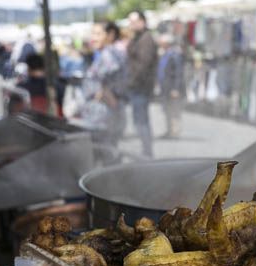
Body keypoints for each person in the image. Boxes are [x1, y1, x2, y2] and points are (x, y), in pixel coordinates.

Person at [79, 21, 126, 147]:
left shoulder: (109, 55)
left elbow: (107, 83)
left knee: (106, 153)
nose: (93, 38)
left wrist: (103, 95)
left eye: (98, 34)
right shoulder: (108, 53)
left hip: (103, 117)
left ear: (110, 35)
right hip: (103, 116)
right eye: (92, 34)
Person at [125, 10, 158, 157]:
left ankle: (147, 152)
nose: (131, 25)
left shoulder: (146, 39)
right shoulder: (139, 38)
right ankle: (146, 151)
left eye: (133, 22)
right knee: (139, 120)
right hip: (138, 86)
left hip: (141, 87)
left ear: (142, 21)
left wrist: (130, 83)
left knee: (141, 121)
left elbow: (143, 66)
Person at [156, 33, 185, 139]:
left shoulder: (175, 54)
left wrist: (176, 89)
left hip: (172, 88)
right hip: (165, 87)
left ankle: (175, 132)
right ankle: (169, 131)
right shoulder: (165, 54)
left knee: (174, 110)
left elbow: (178, 73)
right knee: (167, 110)